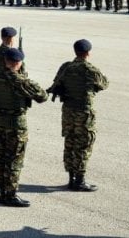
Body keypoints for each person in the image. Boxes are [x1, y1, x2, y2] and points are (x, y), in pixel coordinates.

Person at [0, 48, 47, 207]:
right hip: (16, 126)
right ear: (19, 63)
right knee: (14, 159)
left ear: (5, 62)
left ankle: (2, 191)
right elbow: (42, 96)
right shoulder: (23, 82)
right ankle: (10, 194)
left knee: (1, 157)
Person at [47, 39, 108, 191]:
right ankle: (79, 181)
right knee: (83, 145)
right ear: (88, 52)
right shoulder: (90, 69)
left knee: (70, 142)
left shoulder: (66, 67)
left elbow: (55, 85)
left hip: (68, 111)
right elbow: (104, 84)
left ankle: (71, 178)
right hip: (84, 112)